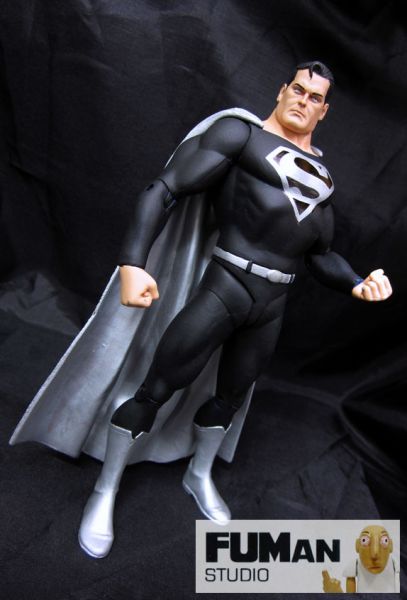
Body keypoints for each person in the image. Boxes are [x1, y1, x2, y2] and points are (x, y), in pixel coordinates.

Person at [322, 524, 400, 592]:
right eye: (364, 540)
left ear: (391, 545)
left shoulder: (394, 565)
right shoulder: (355, 565)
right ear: (357, 546)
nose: (374, 554)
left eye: (385, 541)